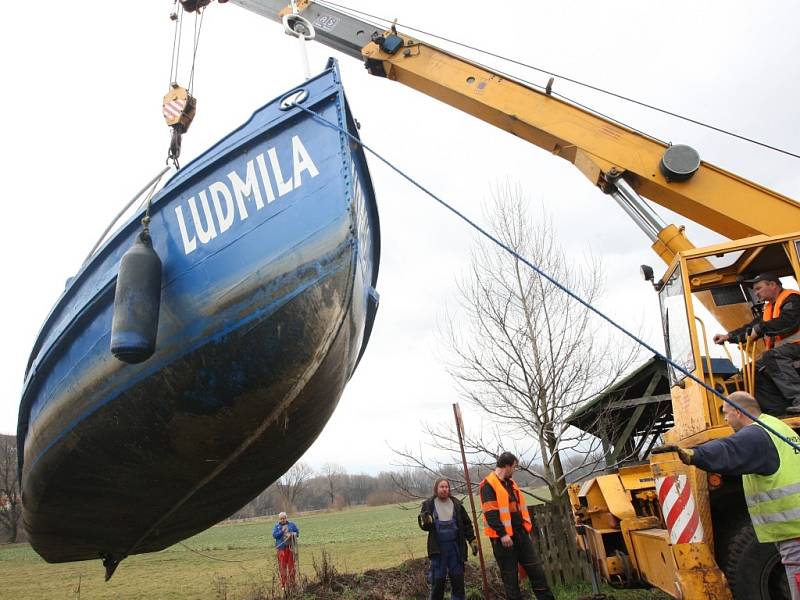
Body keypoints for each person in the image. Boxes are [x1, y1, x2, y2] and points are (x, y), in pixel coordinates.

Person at [663, 391, 800, 600]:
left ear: (738, 412)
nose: (725, 419)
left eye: (726, 413)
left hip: (795, 531)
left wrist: (695, 454)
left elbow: (729, 448)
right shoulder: (777, 427)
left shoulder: (756, 434)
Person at [712, 273, 800, 415]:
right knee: (750, 369)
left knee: (771, 356)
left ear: (772, 285)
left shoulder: (793, 299)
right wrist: (728, 336)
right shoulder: (768, 309)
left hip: (796, 347)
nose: (756, 292)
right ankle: (777, 409)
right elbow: (752, 327)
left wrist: (760, 329)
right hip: (787, 351)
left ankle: (798, 398)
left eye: (759, 288)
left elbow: (789, 322)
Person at [479, 452, 555, 600]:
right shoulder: (488, 485)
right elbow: (491, 514)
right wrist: (503, 534)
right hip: (503, 541)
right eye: (514, 467)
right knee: (511, 581)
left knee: (537, 572)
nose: (514, 470)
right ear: (506, 466)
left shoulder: (510, 483)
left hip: (520, 534)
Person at [418, 478, 479, 600]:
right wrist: (426, 522)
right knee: (438, 581)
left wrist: (472, 540)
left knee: (458, 580)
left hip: (455, 549)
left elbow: (466, 524)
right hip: (438, 550)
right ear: (436, 489)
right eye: (442, 487)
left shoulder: (456, 504)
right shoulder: (429, 504)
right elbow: (426, 527)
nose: (444, 489)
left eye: (446, 487)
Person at [272, 511, 299, 589]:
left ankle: (292, 584)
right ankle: (284, 585)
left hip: (290, 548)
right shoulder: (276, 526)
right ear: (279, 519)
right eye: (281, 519)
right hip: (281, 550)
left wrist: (293, 534)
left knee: (291, 566)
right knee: (282, 567)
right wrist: (281, 531)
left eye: (284, 518)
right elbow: (275, 535)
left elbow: (297, 532)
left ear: (286, 518)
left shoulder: (292, 525)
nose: (283, 520)